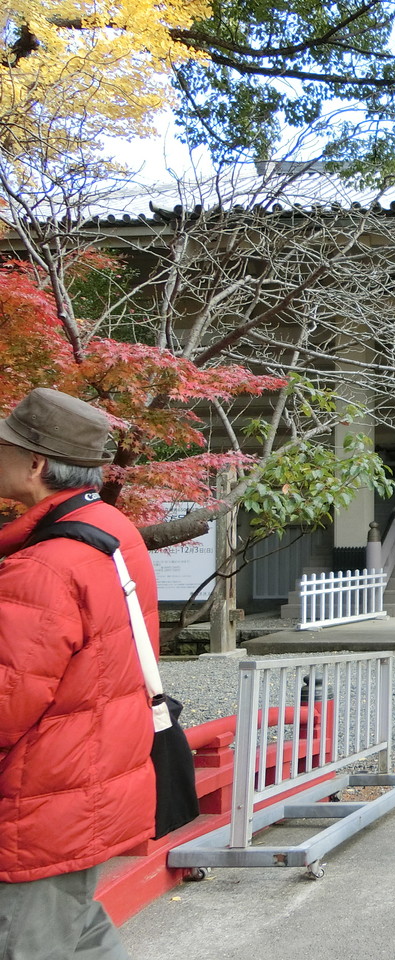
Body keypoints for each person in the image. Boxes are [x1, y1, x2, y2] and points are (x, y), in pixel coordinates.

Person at [0, 388, 160, 957]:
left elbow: (5, 702)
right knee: (78, 932)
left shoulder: (43, 567)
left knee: (30, 943)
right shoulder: (111, 530)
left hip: (38, 800)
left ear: (37, 464)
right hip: (90, 778)